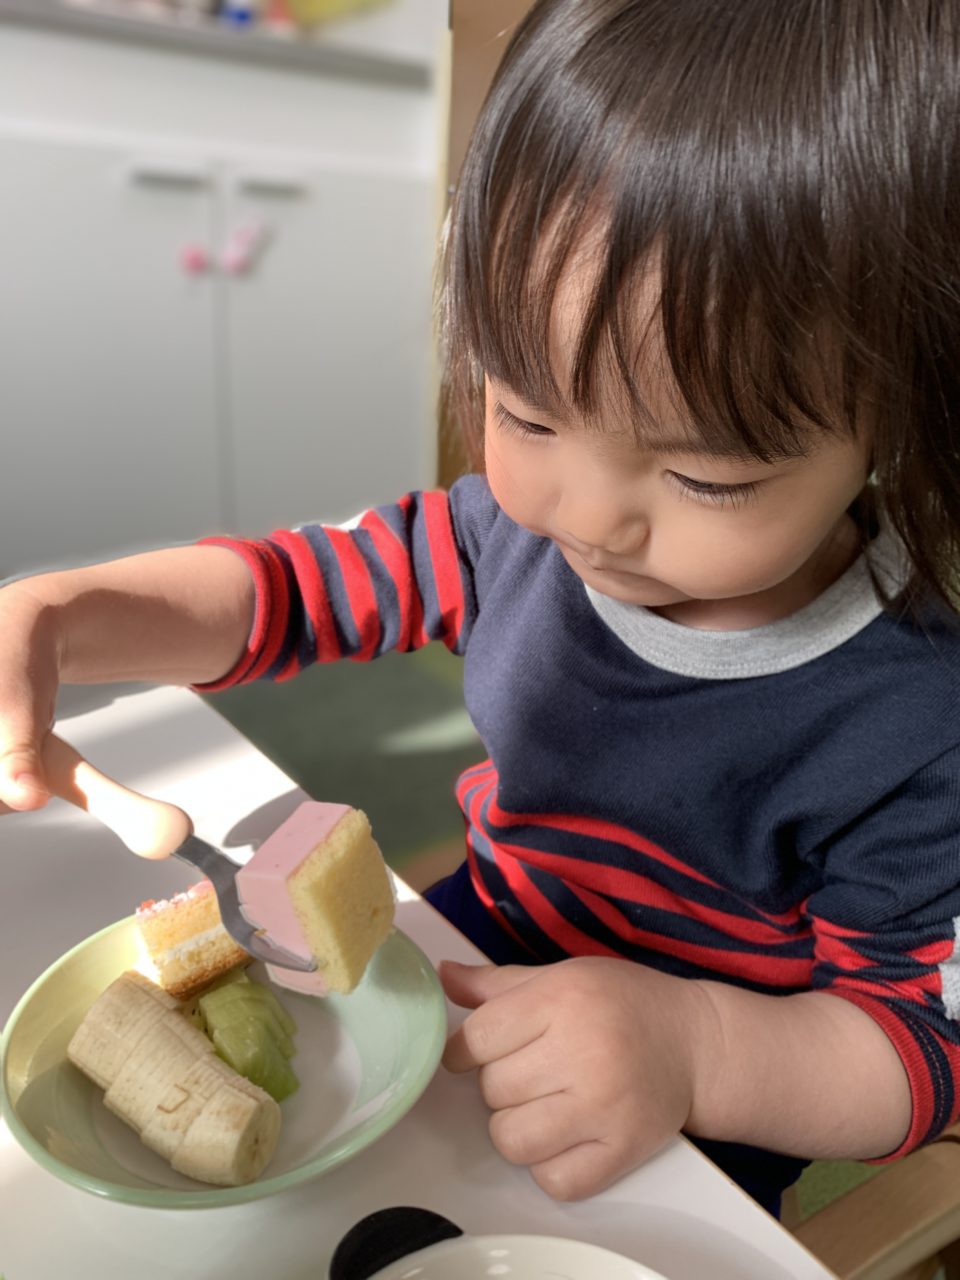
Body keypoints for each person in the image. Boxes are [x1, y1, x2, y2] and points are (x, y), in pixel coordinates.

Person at [3, 0, 960, 1220]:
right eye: (527, 414)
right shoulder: (504, 536)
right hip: (472, 950)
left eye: (707, 476)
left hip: (691, 1122)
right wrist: (63, 614)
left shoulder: (916, 723)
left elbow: (919, 1044)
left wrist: (695, 1048)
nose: (588, 517)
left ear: (899, 413)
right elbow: (279, 594)